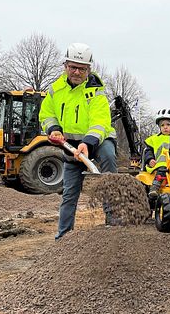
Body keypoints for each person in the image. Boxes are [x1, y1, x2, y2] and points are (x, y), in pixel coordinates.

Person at [39, 42, 118, 240]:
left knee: (108, 156)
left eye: (81, 68)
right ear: (65, 66)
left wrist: (88, 143)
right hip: (70, 146)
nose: (76, 72)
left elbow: (100, 122)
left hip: (97, 142)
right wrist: (54, 129)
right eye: (72, 67)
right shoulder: (56, 90)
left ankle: (114, 225)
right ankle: (63, 238)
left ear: (88, 69)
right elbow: (47, 115)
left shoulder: (96, 92)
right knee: (69, 194)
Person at [144, 108, 170, 199]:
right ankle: (155, 187)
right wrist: (150, 159)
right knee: (163, 168)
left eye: (168, 124)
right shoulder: (154, 139)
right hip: (160, 165)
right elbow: (148, 151)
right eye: (162, 125)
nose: (165, 127)